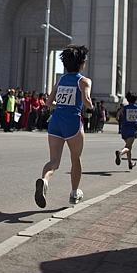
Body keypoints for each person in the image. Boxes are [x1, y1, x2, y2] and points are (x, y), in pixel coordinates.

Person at [35, 45, 93, 208]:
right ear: (82, 63)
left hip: (56, 122)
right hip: (72, 123)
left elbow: (48, 102)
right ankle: (75, 193)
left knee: (54, 161)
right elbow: (87, 102)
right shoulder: (84, 81)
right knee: (75, 159)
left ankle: (45, 181)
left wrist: (60, 105)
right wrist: (90, 106)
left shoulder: (60, 80)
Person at [115, 91, 137, 170]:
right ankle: (120, 153)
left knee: (129, 146)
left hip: (124, 129)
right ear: (135, 100)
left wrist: (119, 118)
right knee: (128, 147)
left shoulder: (125, 107)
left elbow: (118, 115)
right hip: (132, 129)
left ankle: (130, 163)